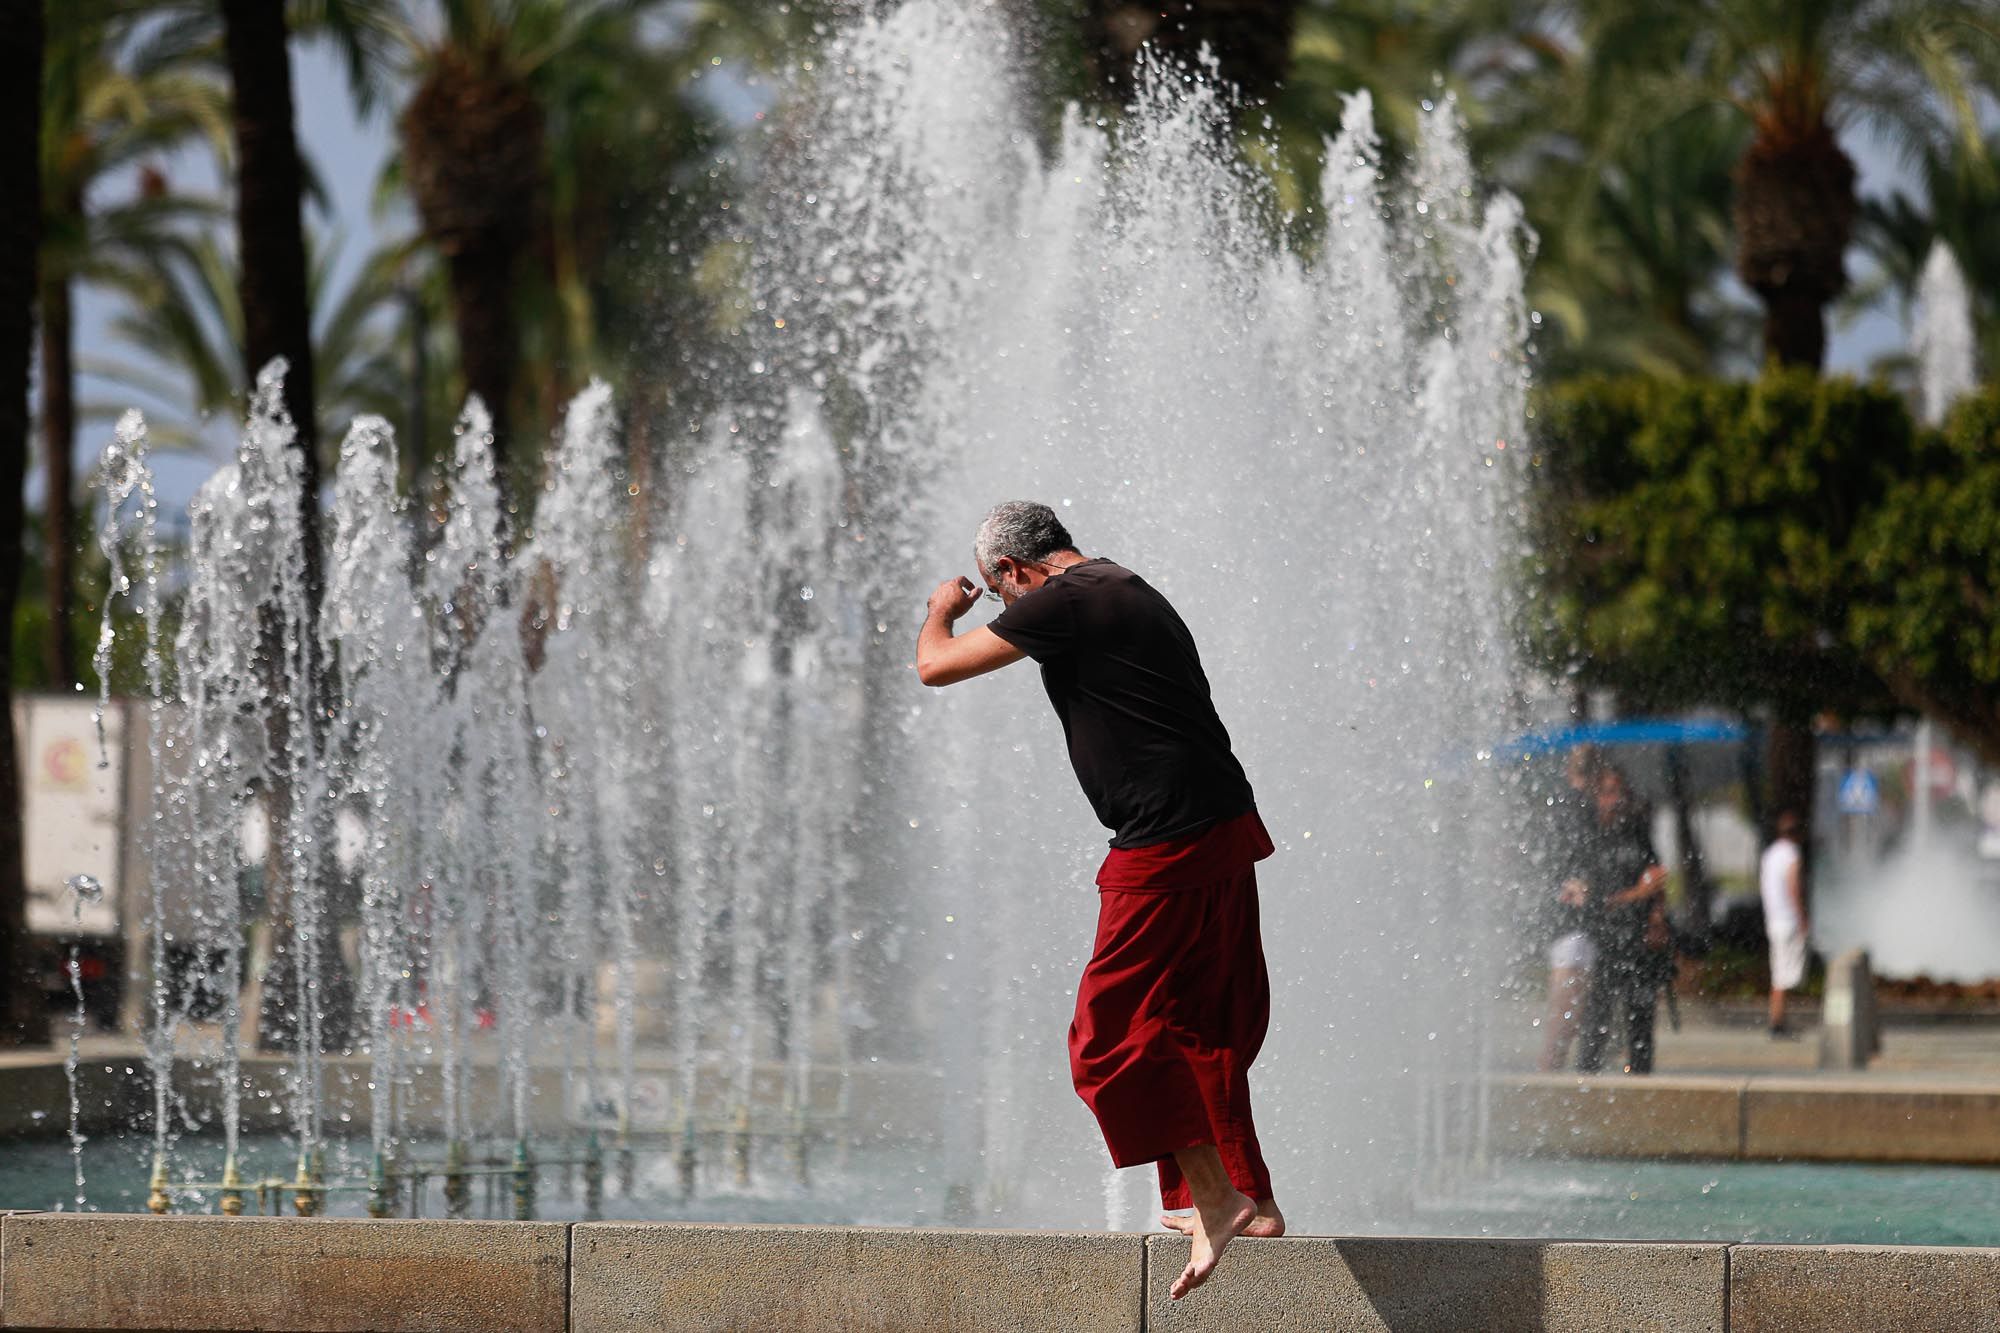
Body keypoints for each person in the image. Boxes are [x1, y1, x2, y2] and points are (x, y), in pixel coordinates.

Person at [915, 500, 1278, 1301]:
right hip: (1221, 821)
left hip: (1166, 841)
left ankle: (1216, 1200)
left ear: (1012, 570)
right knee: (1200, 1023)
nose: (1010, 608)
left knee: (1104, 1035)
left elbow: (935, 666)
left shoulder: (1063, 598)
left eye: (999, 590)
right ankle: (1249, 1200)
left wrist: (942, 609)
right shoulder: (1131, 586)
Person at [1574, 765, 1670, 1076]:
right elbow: (1594, 900)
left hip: (1639, 936)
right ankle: (1586, 1077)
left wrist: (1656, 915)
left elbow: (1655, 878)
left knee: (1640, 1011)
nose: (1615, 800)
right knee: (1597, 1014)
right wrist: (1637, 894)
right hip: (1603, 938)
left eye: (1620, 792)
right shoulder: (1588, 837)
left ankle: (1640, 1074)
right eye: (1607, 792)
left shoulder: (1636, 832)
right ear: (1596, 795)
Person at [1539, 746, 1605, 1072]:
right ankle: (1547, 1085)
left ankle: (1549, 1079)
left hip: (1565, 924)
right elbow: (1581, 862)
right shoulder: (1581, 809)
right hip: (1574, 928)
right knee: (1564, 1020)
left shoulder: (1561, 806)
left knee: (1564, 1020)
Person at [1759, 812, 1810, 1038]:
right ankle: (1777, 1023)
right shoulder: (1791, 854)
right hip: (1787, 920)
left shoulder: (1770, 854)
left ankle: (1778, 1020)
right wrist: (1802, 916)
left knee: (1779, 973)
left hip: (1773, 919)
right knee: (1784, 975)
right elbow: (1793, 886)